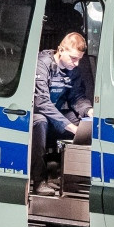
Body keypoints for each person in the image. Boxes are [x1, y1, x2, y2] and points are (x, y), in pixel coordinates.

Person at [31, 32, 91, 196]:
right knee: (39, 122)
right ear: (61, 50)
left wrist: (88, 111)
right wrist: (69, 127)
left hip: (56, 114)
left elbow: (77, 97)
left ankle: (74, 179)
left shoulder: (73, 70)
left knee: (85, 124)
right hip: (37, 114)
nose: (76, 63)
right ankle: (39, 181)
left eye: (79, 59)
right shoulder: (42, 64)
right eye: (73, 58)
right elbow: (41, 102)